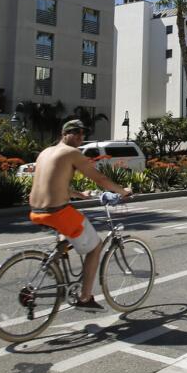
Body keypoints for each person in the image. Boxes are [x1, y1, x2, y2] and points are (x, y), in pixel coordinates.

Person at [29, 119, 132, 311]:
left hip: (36, 212)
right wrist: (122, 191)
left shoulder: (45, 153)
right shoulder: (72, 153)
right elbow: (99, 178)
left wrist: (79, 194)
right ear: (64, 133)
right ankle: (85, 298)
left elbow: (53, 185)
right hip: (56, 212)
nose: (80, 136)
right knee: (95, 247)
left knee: (67, 234)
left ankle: (52, 265)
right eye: (75, 132)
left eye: (82, 133)